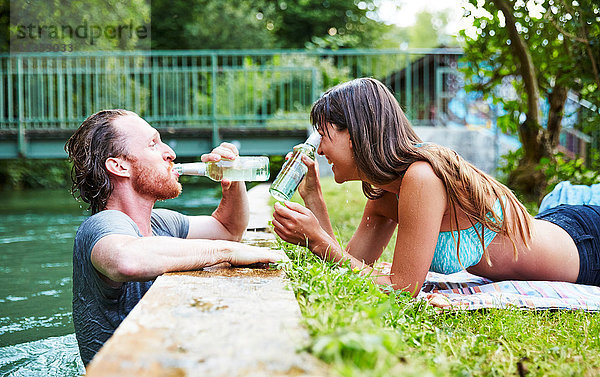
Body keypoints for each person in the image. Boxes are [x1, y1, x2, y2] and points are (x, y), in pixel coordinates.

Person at [272, 77, 600, 297]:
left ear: (355, 134)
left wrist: (316, 239)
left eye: (323, 135)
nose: (320, 149)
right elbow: (347, 265)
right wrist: (313, 196)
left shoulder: (422, 177)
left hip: (587, 247)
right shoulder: (385, 195)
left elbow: (403, 288)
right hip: (560, 226)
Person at [65, 109, 287, 365]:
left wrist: (233, 181)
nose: (169, 152)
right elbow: (126, 259)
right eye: (153, 144)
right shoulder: (101, 224)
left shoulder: (160, 223)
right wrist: (224, 252)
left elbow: (227, 229)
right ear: (119, 166)